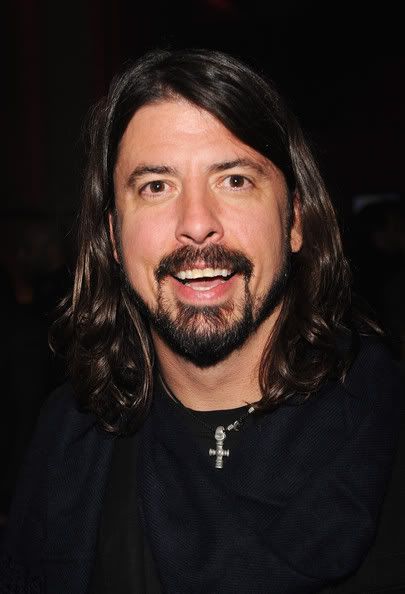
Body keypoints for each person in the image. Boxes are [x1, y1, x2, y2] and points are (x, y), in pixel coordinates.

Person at [1, 49, 403, 594]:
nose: (196, 224)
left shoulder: (386, 428)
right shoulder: (65, 440)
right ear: (114, 237)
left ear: (295, 220)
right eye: (156, 186)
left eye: (234, 180)